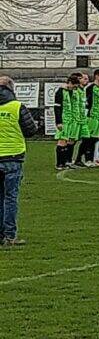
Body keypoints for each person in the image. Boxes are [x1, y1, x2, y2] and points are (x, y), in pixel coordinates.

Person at [0, 75, 39, 246]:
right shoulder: (17, 107)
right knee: (10, 198)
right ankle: (10, 235)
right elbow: (31, 130)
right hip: (13, 156)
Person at [53, 73, 82, 171]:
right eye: (73, 86)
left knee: (69, 141)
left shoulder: (73, 92)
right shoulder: (60, 92)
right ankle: (59, 163)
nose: (74, 88)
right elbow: (57, 107)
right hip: (64, 120)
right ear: (69, 83)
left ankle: (66, 162)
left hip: (72, 120)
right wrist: (58, 122)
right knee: (62, 141)